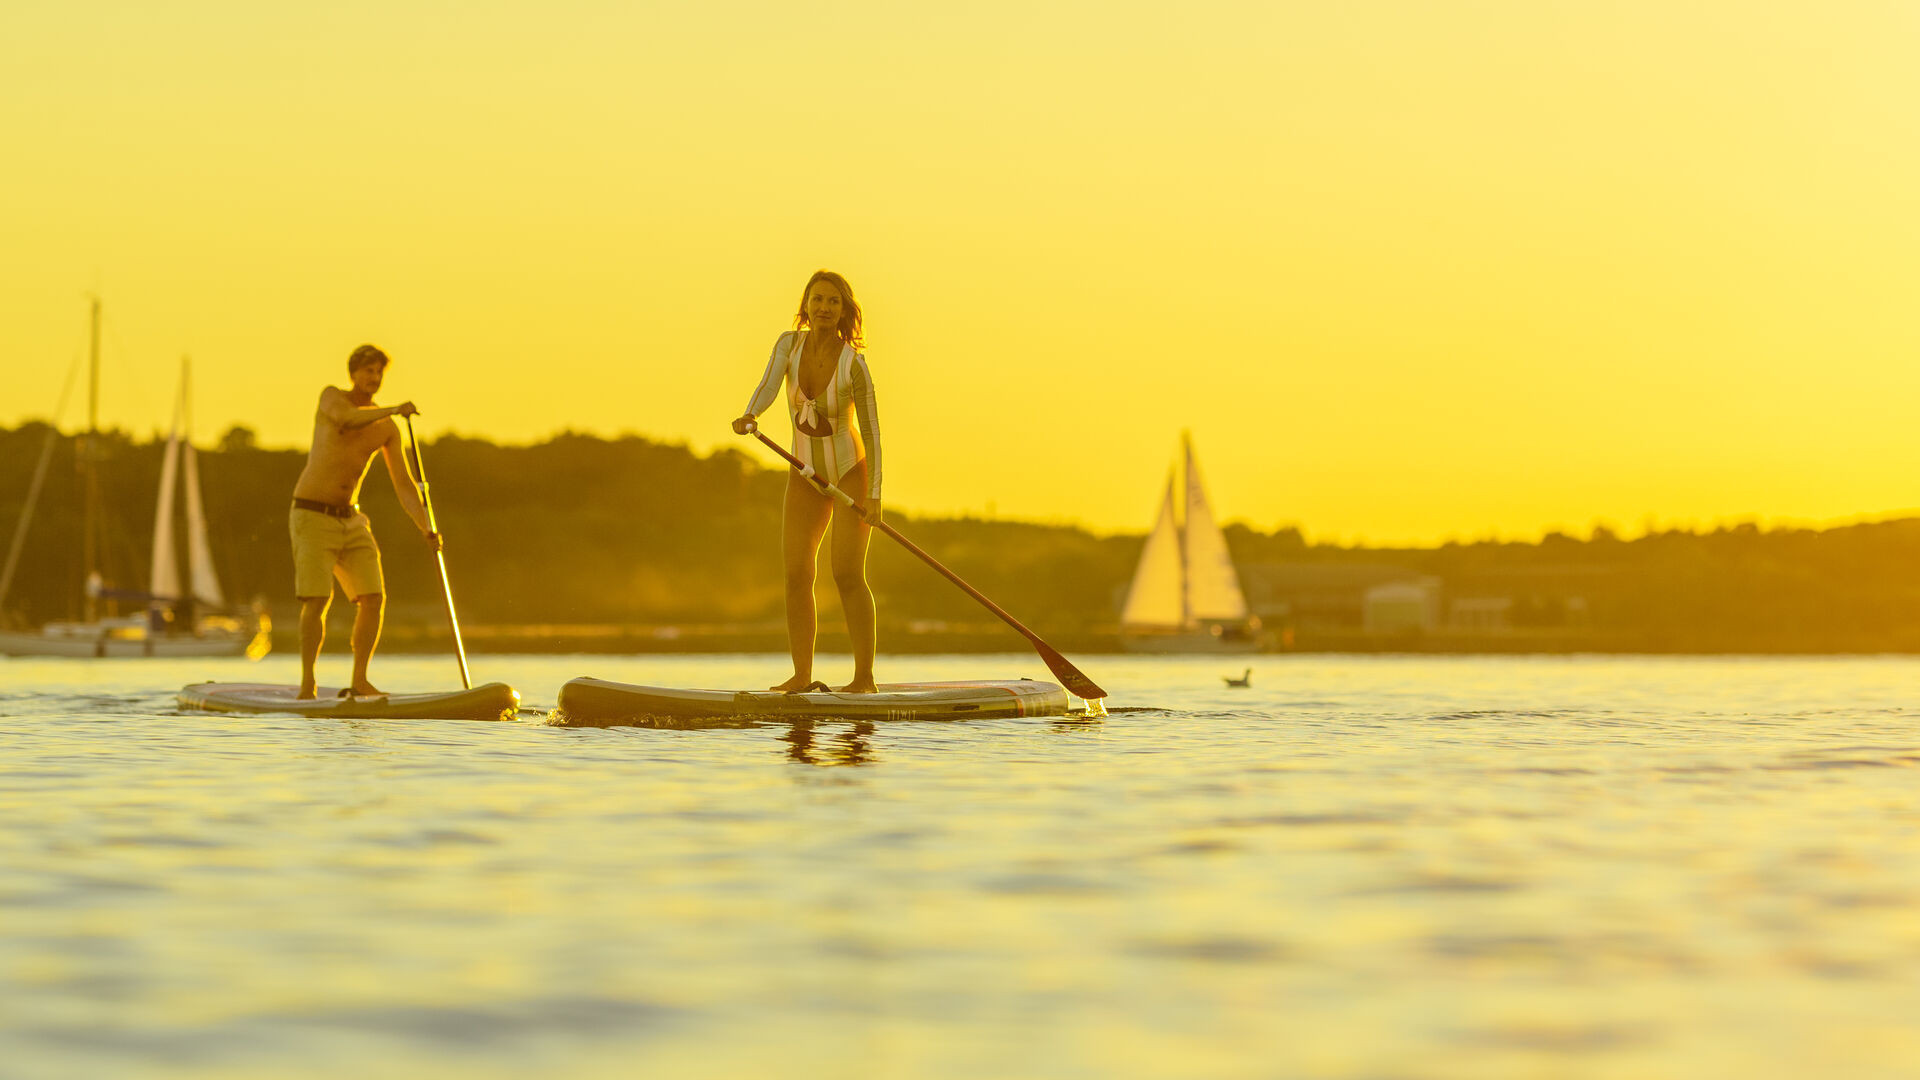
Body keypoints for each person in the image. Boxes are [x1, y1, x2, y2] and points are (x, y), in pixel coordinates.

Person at [733, 270, 884, 693]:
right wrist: (751, 414)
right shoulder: (789, 345)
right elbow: (766, 386)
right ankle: (801, 676)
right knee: (796, 574)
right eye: (817, 299)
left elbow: (871, 432)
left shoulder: (855, 365)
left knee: (847, 574)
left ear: (843, 311)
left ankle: (864, 680)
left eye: (833, 302)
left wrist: (874, 496)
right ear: (806, 305)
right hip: (803, 472)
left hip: (850, 472)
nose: (824, 308)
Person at [289, 344, 440, 699]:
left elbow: (403, 486)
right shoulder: (332, 399)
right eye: (368, 371)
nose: (374, 379)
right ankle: (307, 685)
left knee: (373, 597)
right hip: (311, 513)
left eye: (379, 373)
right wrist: (394, 409)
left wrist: (427, 528)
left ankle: (360, 679)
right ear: (353, 372)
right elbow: (346, 419)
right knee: (316, 600)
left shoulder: (386, 429)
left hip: (351, 518)